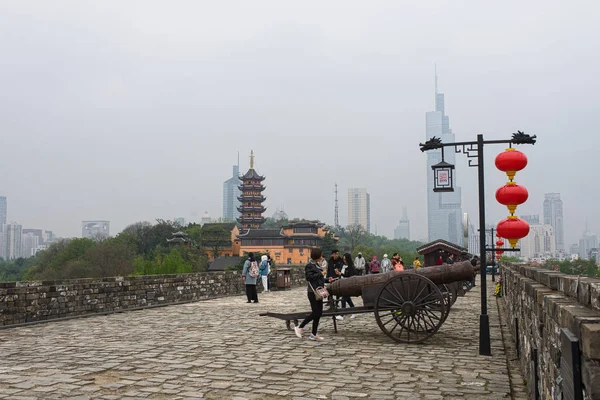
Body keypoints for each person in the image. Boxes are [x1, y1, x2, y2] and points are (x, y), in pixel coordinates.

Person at [295, 248, 330, 341]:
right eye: (321, 255)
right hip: (313, 292)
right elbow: (309, 278)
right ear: (317, 256)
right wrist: (321, 274)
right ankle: (300, 327)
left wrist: (328, 279)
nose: (322, 257)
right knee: (315, 312)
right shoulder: (309, 266)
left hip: (319, 292)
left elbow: (319, 278)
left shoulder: (317, 265)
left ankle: (313, 334)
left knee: (319, 313)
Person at [335, 253, 357, 320]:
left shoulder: (351, 267)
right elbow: (341, 275)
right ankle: (354, 311)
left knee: (343, 299)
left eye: (345, 259)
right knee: (348, 299)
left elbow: (350, 276)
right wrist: (337, 276)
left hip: (348, 285)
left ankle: (342, 314)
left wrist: (341, 273)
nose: (344, 260)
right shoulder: (343, 266)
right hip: (342, 284)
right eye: (343, 259)